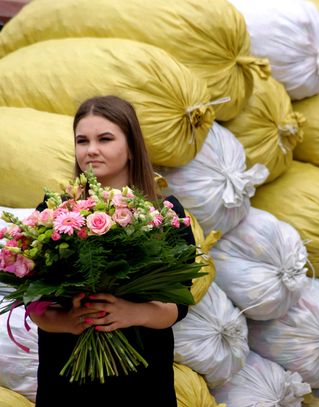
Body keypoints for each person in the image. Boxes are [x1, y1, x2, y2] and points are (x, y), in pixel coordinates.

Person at [30, 95, 195, 406]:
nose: (91, 149)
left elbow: (180, 304)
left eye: (105, 139)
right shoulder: (53, 213)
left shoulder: (166, 215)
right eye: (82, 140)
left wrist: (133, 312)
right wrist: (69, 321)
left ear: (131, 147)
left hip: (141, 379)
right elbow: (34, 302)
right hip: (66, 378)